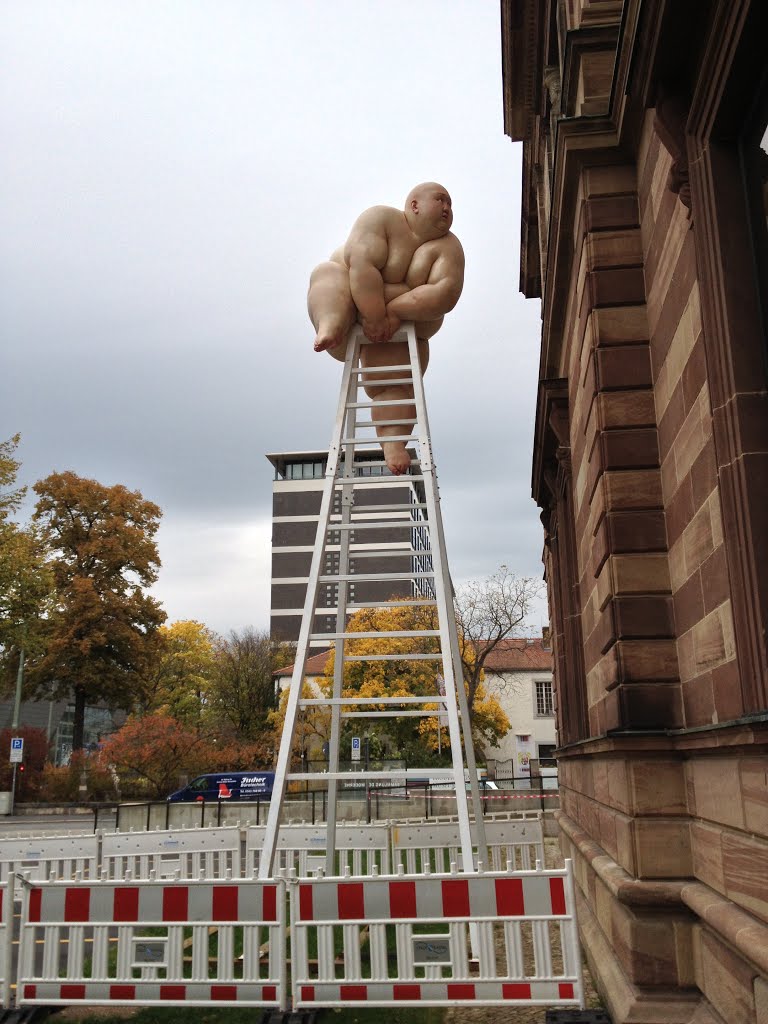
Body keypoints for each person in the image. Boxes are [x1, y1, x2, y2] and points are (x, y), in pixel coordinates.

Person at [307, 182, 464, 474]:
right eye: (440, 200)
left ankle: (393, 442)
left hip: (404, 327)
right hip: (351, 302)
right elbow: (362, 262)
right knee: (326, 274)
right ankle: (329, 324)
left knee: (398, 385)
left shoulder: (448, 247)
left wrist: (393, 311)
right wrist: (374, 313)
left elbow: (445, 292)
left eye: (450, 204)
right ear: (414, 205)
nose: (447, 208)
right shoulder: (380, 219)